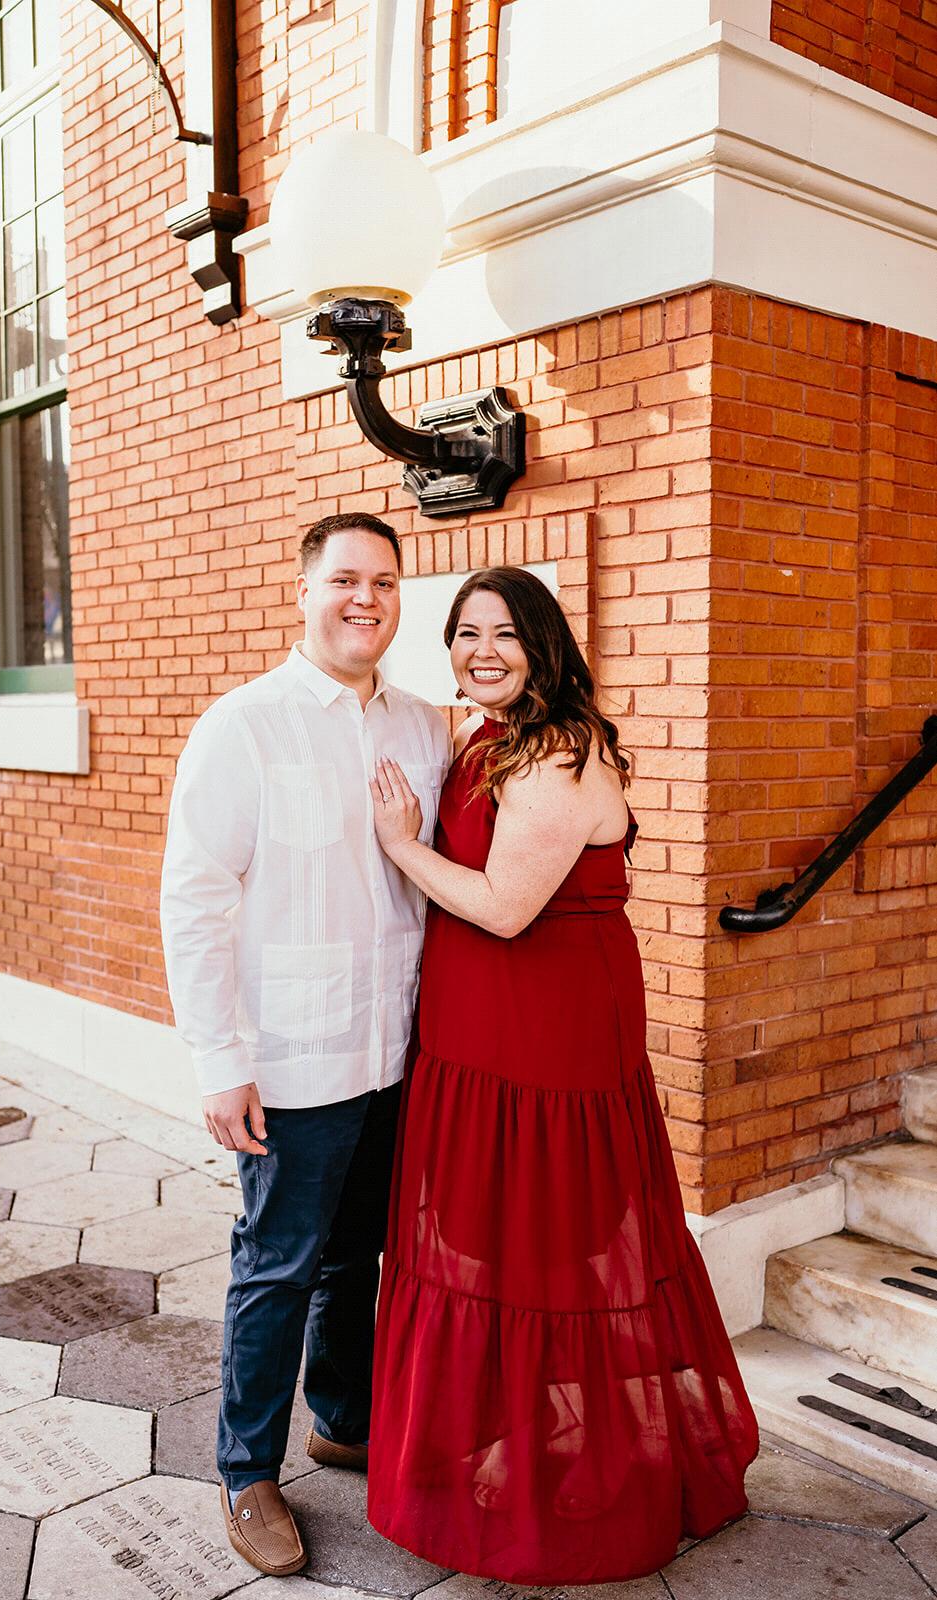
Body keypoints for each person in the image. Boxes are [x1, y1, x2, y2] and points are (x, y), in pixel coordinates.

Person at [365, 566, 759, 1585]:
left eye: (505, 633)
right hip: (476, 1031)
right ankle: (520, 1427)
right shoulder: (486, 738)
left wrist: (400, 846)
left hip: (544, 1032)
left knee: (553, 1238)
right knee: (493, 1232)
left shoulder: (557, 752)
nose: (481, 651)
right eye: (465, 633)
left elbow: (504, 908)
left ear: (545, 644)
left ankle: (575, 1463)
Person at [159, 512, 451, 1577]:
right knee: (276, 1265)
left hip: (396, 1051)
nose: (365, 598)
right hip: (294, 1056)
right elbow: (194, 900)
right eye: (344, 579)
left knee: (357, 1255)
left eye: (384, 580)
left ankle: (341, 1420)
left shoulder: (426, 728)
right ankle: (246, 1472)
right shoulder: (244, 725)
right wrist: (219, 1059)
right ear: (303, 591)